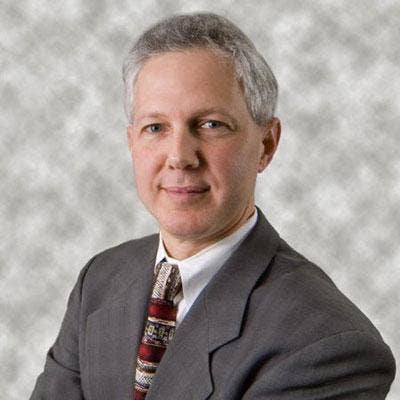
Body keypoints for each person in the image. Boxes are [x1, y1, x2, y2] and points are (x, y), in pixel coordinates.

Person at [30, 12, 395, 400]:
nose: (180, 157)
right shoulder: (100, 282)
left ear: (266, 144)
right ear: (132, 143)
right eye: (156, 127)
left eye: (211, 125)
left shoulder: (326, 343)